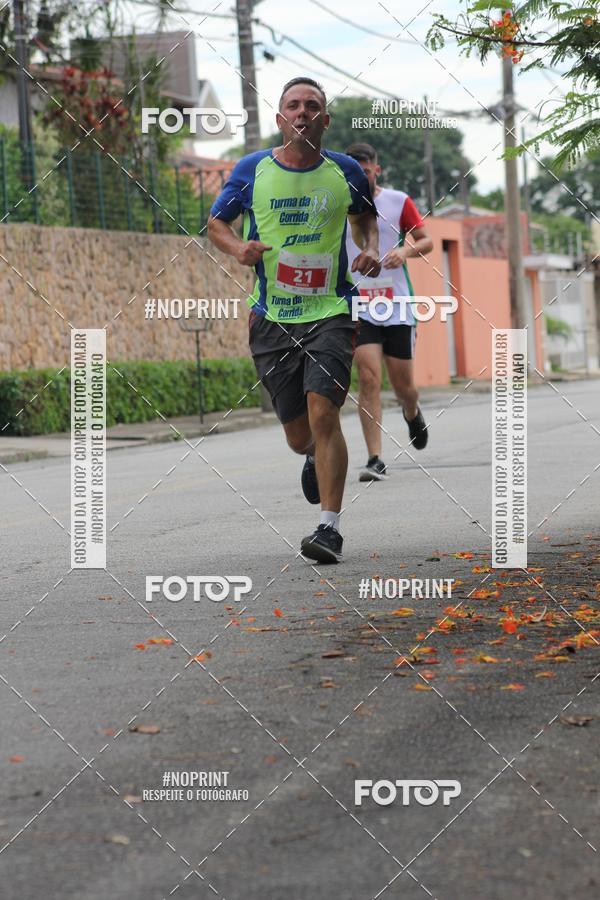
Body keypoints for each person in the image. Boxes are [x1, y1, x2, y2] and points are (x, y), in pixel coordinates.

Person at [207, 78, 380, 563]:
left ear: (325, 120)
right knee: (299, 435)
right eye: (292, 106)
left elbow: (365, 220)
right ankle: (310, 456)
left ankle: (329, 529)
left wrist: (368, 250)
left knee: (325, 414)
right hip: (272, 318)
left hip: (331, 312)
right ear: (280, 118)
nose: (302, 113)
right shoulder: (252, 170)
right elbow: (216, 223)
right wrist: (240, 248)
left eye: (312, 106)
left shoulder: (346, 171)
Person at [345, 143, 434, 481]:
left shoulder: (398, 201)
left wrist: (404, 251)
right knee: (368, 378)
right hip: (358, 303)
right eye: (355, 172)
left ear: (376, 171)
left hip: (397, 305)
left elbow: (425, 239)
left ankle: (411, 413)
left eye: (366, 172)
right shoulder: (339, 204)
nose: (360, 177)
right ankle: (375, 458)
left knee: (403, 384)